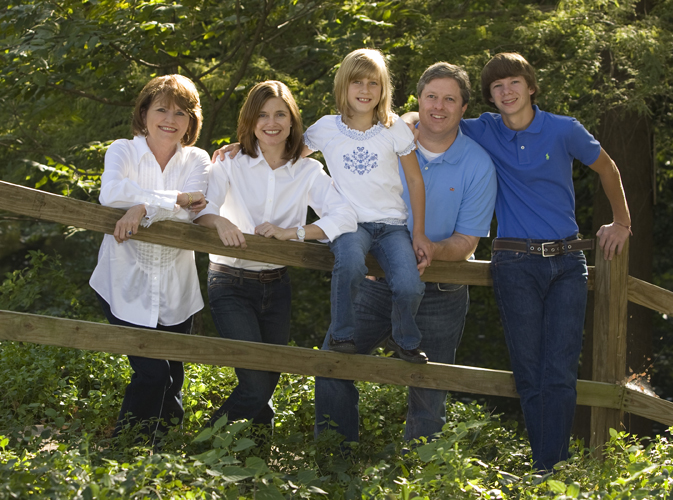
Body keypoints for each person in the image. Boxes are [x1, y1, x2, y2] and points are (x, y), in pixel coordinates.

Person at [459, 53, 631, 470]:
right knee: (529, 372)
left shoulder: (563, 129)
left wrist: (622, 222)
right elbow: (432, 119)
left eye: (514, 83)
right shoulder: (484, 130)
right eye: (497, 87)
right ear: (490, 96)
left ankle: (550, 470)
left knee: (560, 372)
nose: (507, 92)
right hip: (514, 263)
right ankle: (549, 471)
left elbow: (607, 168)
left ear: (531, 86)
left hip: (568, 263)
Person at [315, 62, 497, 443]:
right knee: (333, 363)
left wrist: (430, 247)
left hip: (442, 293)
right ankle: (335, 459)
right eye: (431, 97)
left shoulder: (478, 165)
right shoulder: (385, 134)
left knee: (429, 393)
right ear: (418, 100)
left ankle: (418, 470)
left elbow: (467, 242)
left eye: (450, 100)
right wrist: (248, 150)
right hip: (374, 283)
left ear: (464, 108)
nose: (438, 107)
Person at [194, 81, 356, 428]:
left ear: (292, 120)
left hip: (277, 285)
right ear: (250, 121)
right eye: (263, 115)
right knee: (255, 385)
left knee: (267, 383)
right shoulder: (229, 163)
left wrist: (295, 233)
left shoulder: (307, 171)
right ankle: (201, 447)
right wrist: (219, 221)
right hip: (230, 283)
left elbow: (345, 215)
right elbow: (202, 210)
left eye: (280, 114)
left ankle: (255, 456)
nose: (271, 122)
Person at [90, 74, 210, 442]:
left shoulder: (197, 159)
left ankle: (167, 454)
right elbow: (111, 193)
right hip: (123, 281)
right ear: (144, 113)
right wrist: (176, 198)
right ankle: (125, 449)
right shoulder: (122, 150)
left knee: (173, 378)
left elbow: (191, 213)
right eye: (161, 109)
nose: (170, 119)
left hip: (176, 287)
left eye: (181, 113)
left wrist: (141, 206)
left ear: (191, 121)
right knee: (153, 373)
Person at [304, 48, 433, 363]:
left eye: (373, 83)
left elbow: (415, 181)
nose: (365, 89)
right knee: (349, 265)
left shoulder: (394, 128)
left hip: (392, 226)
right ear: (343, 86)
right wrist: (244, 147)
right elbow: (286, 158)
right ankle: (342, 335)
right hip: (349, 222)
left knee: (409, 284)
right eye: (357, 82)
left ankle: (404, 339)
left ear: (383, 88)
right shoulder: (325, 128)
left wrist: (418, 232)